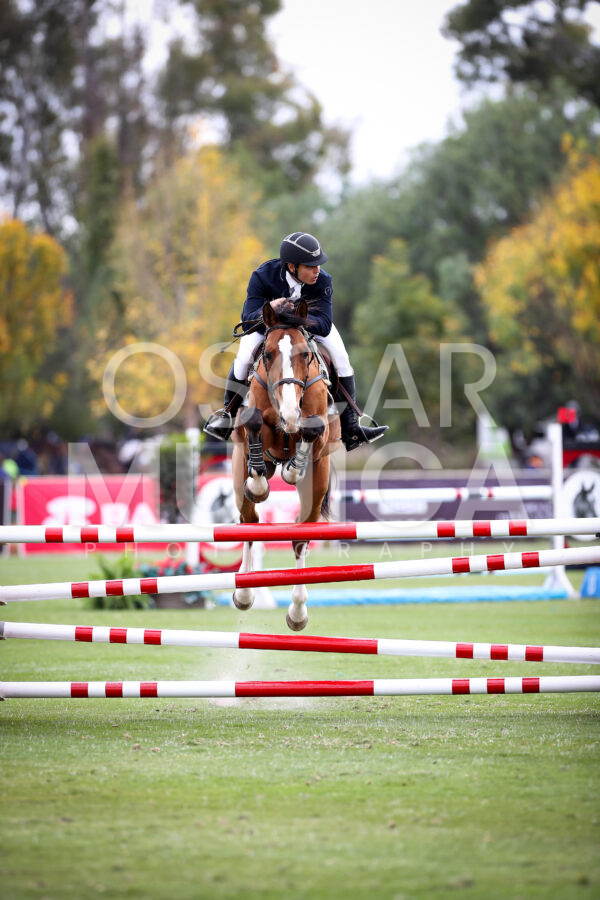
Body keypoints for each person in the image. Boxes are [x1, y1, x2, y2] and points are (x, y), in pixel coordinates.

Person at [203, 232, 388, 450]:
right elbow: (247, 320)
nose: (317, 270)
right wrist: (271, 309)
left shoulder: (323, 281)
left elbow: (324, 324)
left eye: (318, 264)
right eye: (310, 266)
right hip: (267, 327)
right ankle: (227, 415)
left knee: (342, 358)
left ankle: (351, 428)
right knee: (243, 359)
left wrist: (295, 319)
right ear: (292, 267)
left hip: (308, 327)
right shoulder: (262, 276)